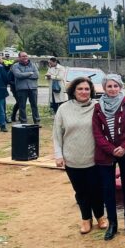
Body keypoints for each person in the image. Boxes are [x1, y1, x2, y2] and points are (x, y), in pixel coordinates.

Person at [53, 76, 106, 234]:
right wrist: (58, 155)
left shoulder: (97, 107)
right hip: (72, 158)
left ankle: (100, 216)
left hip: (93, 158)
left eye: (87, 89)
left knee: (96, 189)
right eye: (80, 89)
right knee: (81, 191)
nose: (84, 92)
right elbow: (57, 134)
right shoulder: (64, 109)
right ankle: (85, 219)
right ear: (73, 91)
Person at [92, 74, 125, 240]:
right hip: (106, 153)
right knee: (108, 189)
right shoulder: (98, 107)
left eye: (115, 86)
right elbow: (97, 133)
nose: (112, 89)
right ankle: (112, 223)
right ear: (104, 88)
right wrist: (111, 149)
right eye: (109, 86)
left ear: (120, 87)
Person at [11, 50, 40, 124]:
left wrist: (25, 74)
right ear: (19, 57)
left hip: (33, 88)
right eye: (23, 56)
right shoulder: (15, 66)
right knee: (22, 106)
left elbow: (37, 75)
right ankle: (23, 122)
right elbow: (18, 75)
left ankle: (36, 121)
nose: (25, 57)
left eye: (26, 56)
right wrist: (30, 73)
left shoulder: (33, 65)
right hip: (21, 89)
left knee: (34, 105)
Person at [0, 54, 9, 132]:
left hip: (0, 91)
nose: (2, 59)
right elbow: (6, 79)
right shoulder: (0, 68)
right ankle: (2, 125)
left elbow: (5, 79)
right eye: (1, 57)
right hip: (0, 90)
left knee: (1, 109)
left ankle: (2, 125)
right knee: (1, 109)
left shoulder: (1, 67)